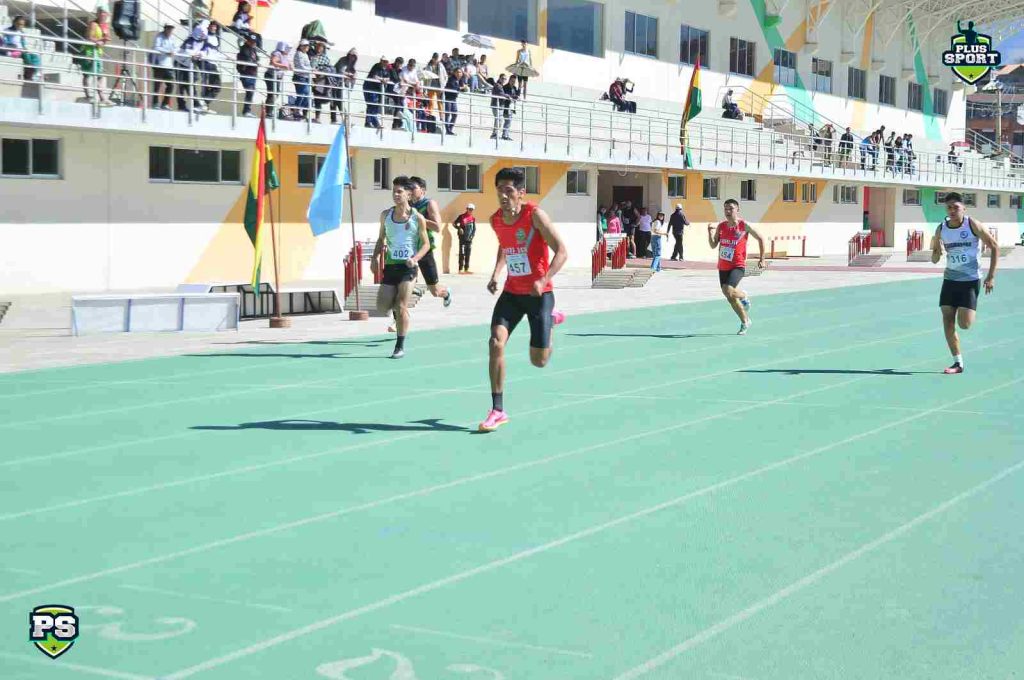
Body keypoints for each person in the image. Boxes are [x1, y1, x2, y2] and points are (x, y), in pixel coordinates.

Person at [480, 167, 568, 432]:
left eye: (509, 191)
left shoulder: (535, 215)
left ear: (521, 193)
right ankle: (497, 410)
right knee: (496, 343)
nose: (504, 197)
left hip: (539, 295)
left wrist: (543, 279)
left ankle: (550, 321)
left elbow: (562, 252)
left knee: (538, 361)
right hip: (511, 294)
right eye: (499, 192)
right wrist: (497, 272)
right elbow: (505, 246)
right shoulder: (496, 220)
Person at [930, 191, 998, 374]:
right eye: (949, 207)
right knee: (947, 320)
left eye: (956, 207)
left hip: (970, 280)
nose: (952, 210)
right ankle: (958, 363)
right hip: (950, 280)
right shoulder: (941, 228)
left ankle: (968, 307)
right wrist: (936, 251)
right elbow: (935, 258)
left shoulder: (972, 224)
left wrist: (991, 276)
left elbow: (994, 246)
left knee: (965, 324)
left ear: (963, 208)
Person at [370, 176, 432, 359]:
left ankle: (399, 345)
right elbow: (381, 239)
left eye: (400, 192)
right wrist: (375, 257)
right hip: (391, 267)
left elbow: (426, 244)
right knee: (382, 307)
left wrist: (415, 258)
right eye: (394, 191)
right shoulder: (385, 215)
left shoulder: (417, 217)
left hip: (408, 268)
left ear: (409, 194)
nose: (396, 195)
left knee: (401, 306)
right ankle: (412, 292)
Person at [707, 199, 765, 335]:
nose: (728, 211)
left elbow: (761, 238)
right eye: (725, 209)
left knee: (728, 289)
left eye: (731, 209)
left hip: (737, 265)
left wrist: (762, 259)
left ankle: (743, 295)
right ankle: (745, 321)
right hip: (723, 265)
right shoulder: (721, 226)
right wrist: (709, 233)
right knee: (729, 296)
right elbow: (713, 244)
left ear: (737, 210)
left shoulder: (744, 225)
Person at [409, 176, 453, 306]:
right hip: (409, 249)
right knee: (403, 283)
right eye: (408, 188)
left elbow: (437, 227)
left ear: (422, 190)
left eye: (413, 188)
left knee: (435, 291)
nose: (410, 190)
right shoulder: (408, 205)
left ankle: (445, 293)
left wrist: (420, 218)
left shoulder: (429, 204)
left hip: (424, 249)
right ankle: (410, 287)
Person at [150, 23, 177, 110]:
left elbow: (175, 48)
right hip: (159, 64)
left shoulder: (172, 38)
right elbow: (156, 47)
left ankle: (165, 104)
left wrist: (173, 52)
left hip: (168, 65)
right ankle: (155, 103)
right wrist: (167, 52)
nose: (170, 30)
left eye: (171, 28)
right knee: (157, 85)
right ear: (165, 29)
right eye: (168, 28)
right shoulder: (159, 36)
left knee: (171, 84)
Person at [236, 33, 259, 117]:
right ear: (248, 41)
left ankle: (247, 110)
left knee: (251, 91)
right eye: (251, 41)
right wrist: (254, 63)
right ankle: (246, 111)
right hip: (246, 74)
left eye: (254, 42)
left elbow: (255, 60)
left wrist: (256, 63)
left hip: (252, 74)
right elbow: (248, 60)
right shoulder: (244, 49)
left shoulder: (253, 49)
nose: (253, 43)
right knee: (250, 90)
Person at [454, 203, 477, 274]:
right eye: (469, 209)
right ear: (466, 209)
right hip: (462, 238)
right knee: (462, 253)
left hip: (469, 239)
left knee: (468, 253)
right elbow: (455, 223)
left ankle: (466, 269)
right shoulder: (461, 216)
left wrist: (472, 236)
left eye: (472, 209)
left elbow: (474, 229)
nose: (470, 210)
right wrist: (459, 228)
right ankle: (460, 269)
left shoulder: (473, 218)